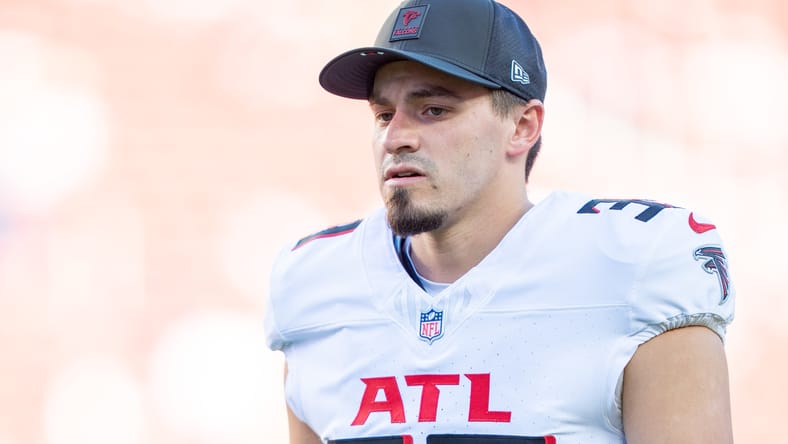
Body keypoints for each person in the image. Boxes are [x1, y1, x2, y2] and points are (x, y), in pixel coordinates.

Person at [264, 0, 736, 442]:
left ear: (523, 126)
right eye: (384, 114)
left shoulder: (633, 264)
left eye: (434, 110)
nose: (396, 137)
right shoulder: (314, 285)